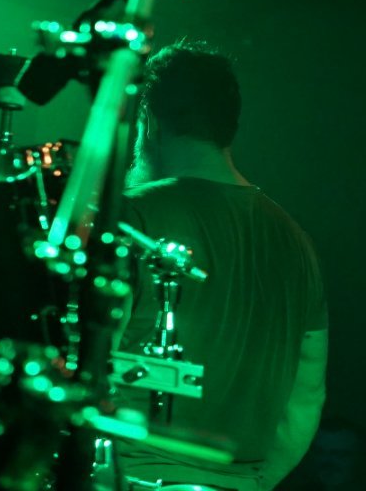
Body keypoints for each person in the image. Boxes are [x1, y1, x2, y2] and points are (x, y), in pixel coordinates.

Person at [116, 41, 327, 491]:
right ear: (228, 126)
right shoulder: (297, 242)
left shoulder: (132, 218)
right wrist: (255, 482)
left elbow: (89, 362)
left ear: (149, 120)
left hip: (131, 474)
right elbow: (306, 398)